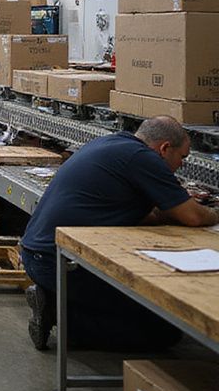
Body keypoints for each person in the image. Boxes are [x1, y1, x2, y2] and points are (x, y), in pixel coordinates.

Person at [20, 116, 217, 352]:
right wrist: (213, 213)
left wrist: (173, 211)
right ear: (165, 148)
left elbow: (140, 214)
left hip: (39, 253)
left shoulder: (113, 143)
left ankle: (59, 302)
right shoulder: (144, 159)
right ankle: (58, 314)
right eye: (182, 157)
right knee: (165, 329)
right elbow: (194, 217)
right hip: (57, 263)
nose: (181, 165)